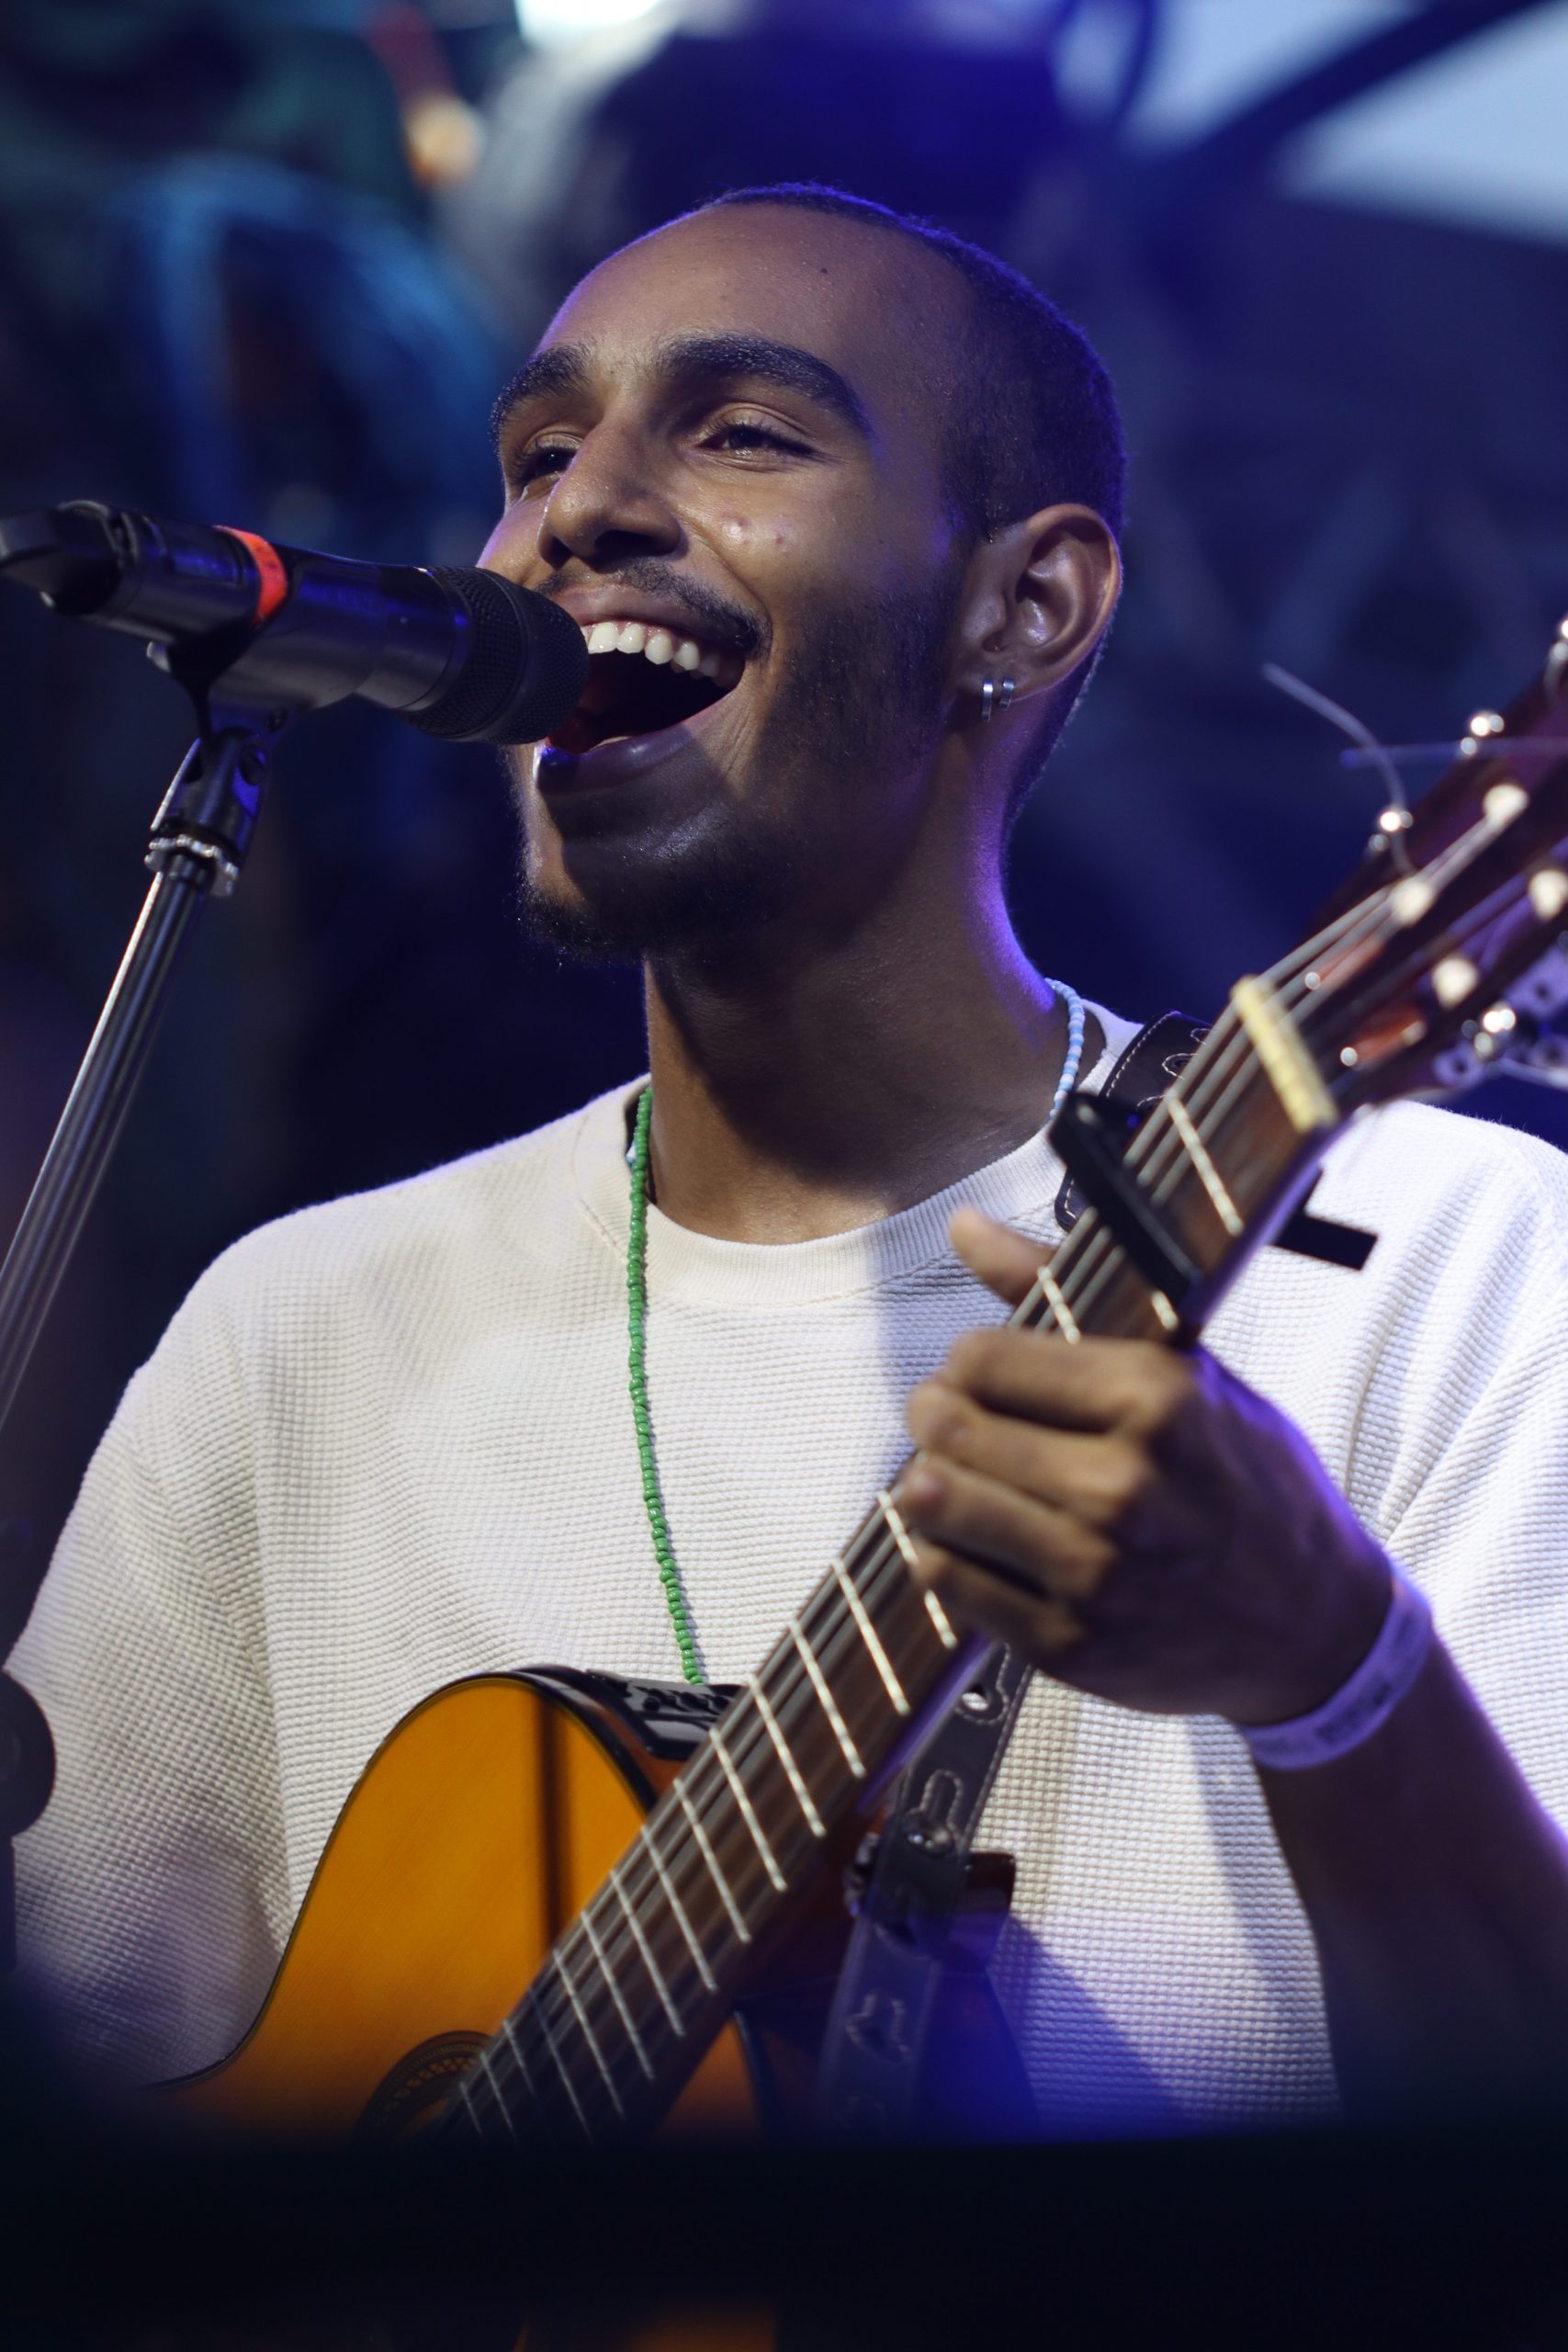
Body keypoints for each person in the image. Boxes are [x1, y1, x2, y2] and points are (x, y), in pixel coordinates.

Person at [14, 185, 1568, 2136]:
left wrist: (1332, 1667)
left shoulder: (1451, 1261)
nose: (579, 509)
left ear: (1024, 604)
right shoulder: (301, 1330)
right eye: (537, 456)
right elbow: (71, 2171)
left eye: (743, 432)